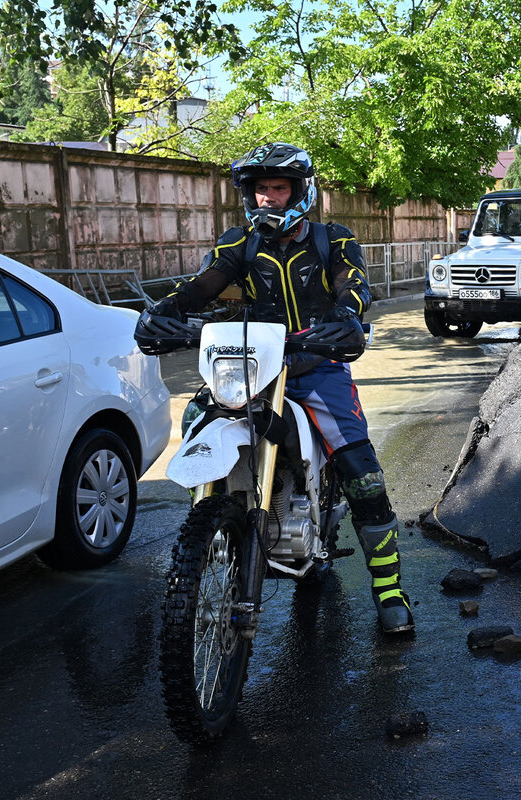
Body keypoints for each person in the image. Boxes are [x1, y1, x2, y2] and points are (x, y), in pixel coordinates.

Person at [137, 142, 413, 635]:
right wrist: (167, 311)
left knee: (362, 472)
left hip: (314, 366)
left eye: (278, 187)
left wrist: (348, 316)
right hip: (249, 367)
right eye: (260, 188)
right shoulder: (239, 243)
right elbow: (205, 283)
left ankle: (389, 590)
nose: (267, 197)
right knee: (198, 420)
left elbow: (352, 284)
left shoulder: (334, 239)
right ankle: (214, 527)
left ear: (300, 191)